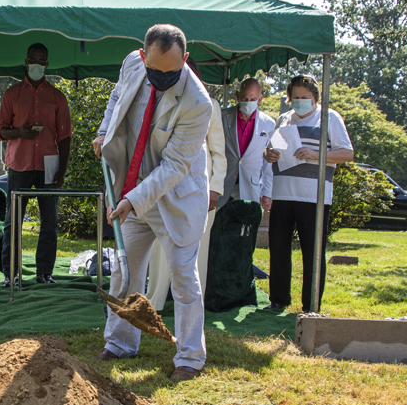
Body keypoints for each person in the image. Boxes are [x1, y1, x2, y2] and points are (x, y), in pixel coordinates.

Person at [91, 24, 213, 382]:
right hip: (134, 187)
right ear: (142, 57)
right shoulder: (132, 65)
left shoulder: (198, 102)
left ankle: (189, 357)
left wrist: (133, 199)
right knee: (124, 270)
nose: (163, 80)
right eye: (155, 72)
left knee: (183, 278)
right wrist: (103, 130)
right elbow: (117, 98)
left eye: (172, 73)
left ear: (185, 60)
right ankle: (119, 343)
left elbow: (175, 166)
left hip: (176, 195)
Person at [263, 75, 354, 312]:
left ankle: (311, 305)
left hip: (313, 196)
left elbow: (347, 154)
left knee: (312, 252)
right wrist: (268, 154)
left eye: (305, 98)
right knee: (279, 248)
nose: (300, 102)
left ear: (315, 97)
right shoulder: (284, 118)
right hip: (282, 193)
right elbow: (271, 149)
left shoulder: (329, 117)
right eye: (296, 98)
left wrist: (315, 155)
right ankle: (278, 300)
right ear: (289, 96)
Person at [146, 57, 227, 311]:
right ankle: (155, 301)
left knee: (198, 246)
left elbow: (218, 152)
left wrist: (216, 188)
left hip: (200, 186)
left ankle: (193, 304)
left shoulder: (210, 105)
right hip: (166, 181)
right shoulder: (159, 100)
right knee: (161, 242)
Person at [0, 43, 72, 287]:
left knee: (49, 221)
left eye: (42, 60)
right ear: (26, 61)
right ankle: (11, 274)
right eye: (34, 59)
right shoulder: (12, 95)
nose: (38, 64)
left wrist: (62, 168)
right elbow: (0, 129)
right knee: (13, 220)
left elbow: (65, 136)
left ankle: (44, 273)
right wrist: (19, 132)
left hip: (49, 164)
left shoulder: (57, 97)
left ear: (47, 64)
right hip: (19, 164)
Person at [218, 77, 275, 212]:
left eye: (252, 99)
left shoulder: (269, 123)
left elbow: (269, 163)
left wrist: (267, 192)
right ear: (237, 95)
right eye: (244, 99)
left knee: (245, 230)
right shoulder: (222, 116)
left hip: (250, 187)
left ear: (260, 99)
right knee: (217, 229)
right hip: (223, 186)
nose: (248, 103)